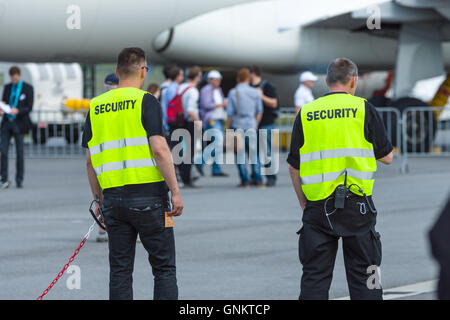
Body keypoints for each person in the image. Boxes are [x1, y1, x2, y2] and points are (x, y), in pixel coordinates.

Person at [287, 58, 393, 300]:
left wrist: (304, 202)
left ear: (326, 81)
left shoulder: (307, 112)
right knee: (366, 276)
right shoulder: (364, 108)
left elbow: (294, 167)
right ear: (353, 80)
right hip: (358, 206)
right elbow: (387, 158)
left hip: (317, 206)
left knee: (314, 277)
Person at [82, 47, 183, 300]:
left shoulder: (95, 107)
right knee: (163, 269)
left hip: (113, 201)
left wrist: (98, 198)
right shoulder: (145, 100)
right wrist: (176, 190)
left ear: (117, 72)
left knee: (120, 270)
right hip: (150, 198)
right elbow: (160, 150)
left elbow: (89, 160)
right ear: (142, 70)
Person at [94, 72, 120, 243]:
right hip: (119, 157)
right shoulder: (122, 104)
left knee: (103, 196)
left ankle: (102, 229)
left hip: (101, 158)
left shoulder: (97, 105)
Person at [227, 68, 263, 188]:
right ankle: (258, 179)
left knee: (240, 154)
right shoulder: (255, 92)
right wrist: (255, 124)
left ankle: (244, 180)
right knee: (254, 153)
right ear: (249, 78)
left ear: (238, 78)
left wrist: (228, 128)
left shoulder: (233, 92)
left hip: (238, 125)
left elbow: (230, 113)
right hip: (251, 124)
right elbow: (259, 111)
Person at [0, 66, 33, 189]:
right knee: (3, 150)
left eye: (15, 77)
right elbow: (4, 101)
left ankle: (19, 179)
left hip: (19, 123)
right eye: (12, 78)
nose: (13, 80)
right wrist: (2, 108)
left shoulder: (27, 88)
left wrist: (18, 110)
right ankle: (4, 178)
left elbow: (29, 106)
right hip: (7, 122)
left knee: (20, 152)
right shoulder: (8, 87)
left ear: (19, 76)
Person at [250, 65, 279, 187]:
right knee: (252, 152)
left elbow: (274, 103)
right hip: (251, 124)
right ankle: (255, 176)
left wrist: (260, 96)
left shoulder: (267, 86)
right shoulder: (248, 87)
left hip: (266, 123)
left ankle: (271, 177)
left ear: (253, 73)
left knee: (266, 151)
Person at [176, 66, 202, 188]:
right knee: (189, 153)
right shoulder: (193, 91)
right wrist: (198, 122)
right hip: (189, 122)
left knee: (182, 150)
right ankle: (187, 179)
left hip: (178, 120)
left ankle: (183, 176)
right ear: (197, 77)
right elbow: (191, 111)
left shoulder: (181, 87)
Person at [199, 70, 228, 177]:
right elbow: (206, 105)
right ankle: (200, 162)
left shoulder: (218, 90)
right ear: (210, 80)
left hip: (219, 119)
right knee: (217, 144)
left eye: (219, 79)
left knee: (217, 145)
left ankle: (216, 168)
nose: (218, 81)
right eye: (216, 79)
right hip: (211, 119)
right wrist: (221, 104)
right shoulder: (206, 90)